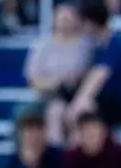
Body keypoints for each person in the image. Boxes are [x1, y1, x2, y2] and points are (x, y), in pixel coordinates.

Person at [26, 2, 92, 147]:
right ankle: (57, 155)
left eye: (69, 18)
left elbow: (87, 73)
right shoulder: (42, 45)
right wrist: (55, 81)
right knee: (56, 111)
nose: (65, 22)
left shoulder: (86, 45)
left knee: (80, 110)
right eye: (61, 17)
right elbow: (33, 79)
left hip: (77, 92)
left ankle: (76, 154)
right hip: (49, 95)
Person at [68, 2, 121, 129]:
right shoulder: (98, 47)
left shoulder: (116, 44)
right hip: (106, 100)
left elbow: (98, 77)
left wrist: (78, 102)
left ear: (91, 23)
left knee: (84, 106)